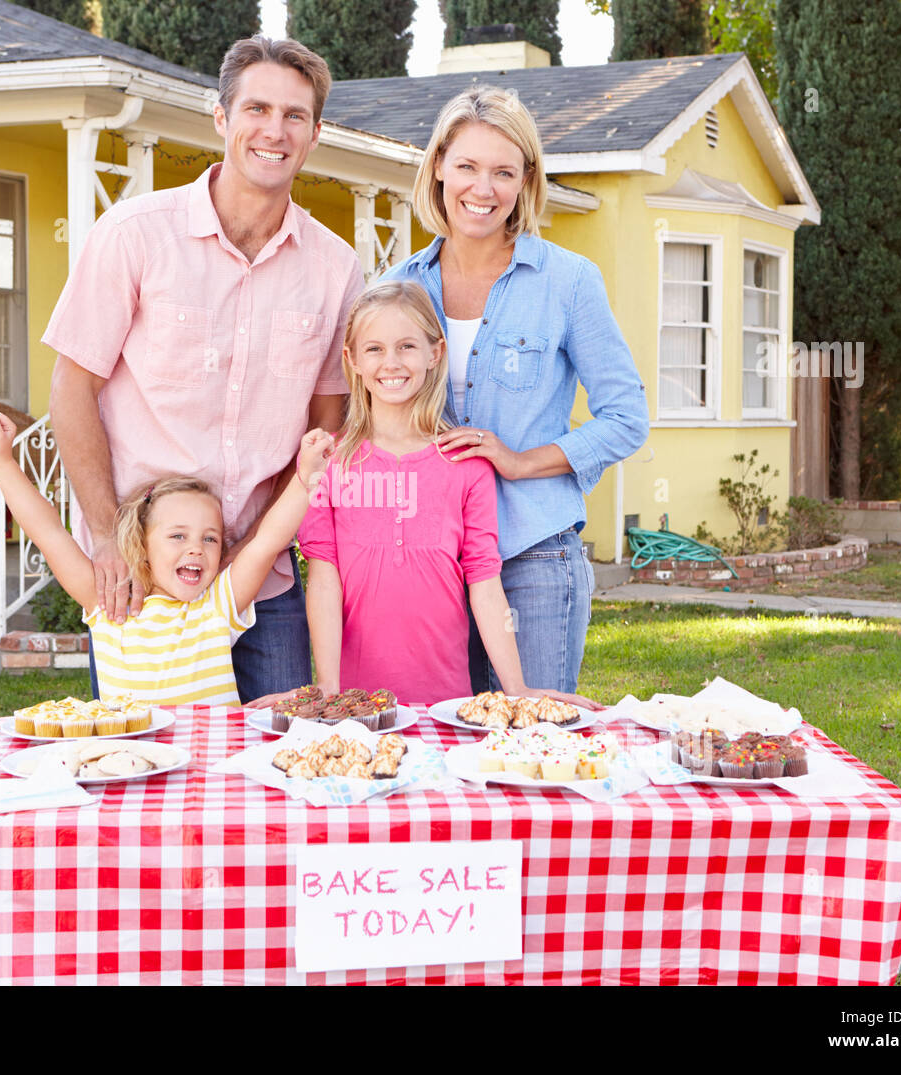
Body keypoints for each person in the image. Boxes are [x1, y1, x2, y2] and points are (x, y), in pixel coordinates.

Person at [41, 36, 365, 703]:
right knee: (143, 774)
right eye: (257, 108)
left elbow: (328, 420)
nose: (273, 130)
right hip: (144, 580)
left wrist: (260, 547)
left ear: (315, 133)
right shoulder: (134, 234)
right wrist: (105, 535)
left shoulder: (336, 270)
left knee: (280, 773)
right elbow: (72, 387)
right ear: (221, 117)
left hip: (263, 578)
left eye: (295, 116)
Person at [384, 86, 649, 695]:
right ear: (439, 169)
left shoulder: (569, 280)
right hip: (430, 556)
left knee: (531, 742)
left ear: (526, 180)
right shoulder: (397, 286)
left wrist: (522, 461)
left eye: (504, 172)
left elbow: (626, 416)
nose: (484, 189)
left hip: (532, 554)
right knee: (440, 749)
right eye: (468, 167)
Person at [293, 281, 600, 707]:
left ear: (435, 353)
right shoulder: (330, 461)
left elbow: (485, 580)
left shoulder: (465, 463)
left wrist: (517, 689)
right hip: (356, 704)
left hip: (447, 703)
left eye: (406, 346)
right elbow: (323, 577)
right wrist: (328, 687)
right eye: (375, 349)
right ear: (352, 360)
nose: (391, 363)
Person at [0, 411, 334, 706]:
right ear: (142, 543)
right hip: (132, 771)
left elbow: (266, 541)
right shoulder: (106, 604)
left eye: (209, 538)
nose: (196, 548)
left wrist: (305, 478)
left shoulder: (217, 606)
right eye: (177, 536)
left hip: (209, 776)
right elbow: (48, 533)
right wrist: (2, 461)